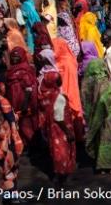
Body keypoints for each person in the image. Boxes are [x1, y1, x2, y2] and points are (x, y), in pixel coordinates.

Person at [36, 49, 76, 185]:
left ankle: (59, 175)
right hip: (62, 128)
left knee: (55, 150)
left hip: (52, 129)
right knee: (63, 152)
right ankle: (63, 177)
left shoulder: (48, 94)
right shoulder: (59, 97)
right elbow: (59, 118)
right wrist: (68, 131)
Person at [81, 56, 111, 174]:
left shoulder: (87, 81)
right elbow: (105, 98)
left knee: (100, 139)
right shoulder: (103, 81)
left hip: (94, 116)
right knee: (110, 139)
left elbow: (86, 100)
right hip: (108, 115)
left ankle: (101, 166)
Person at [5, 47, 38, 145]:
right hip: (15, 103)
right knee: (20, 124)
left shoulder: (26, 70)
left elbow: (29, 88)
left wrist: (25, 103)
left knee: (27, 125)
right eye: (13, 56)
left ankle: (34, 147)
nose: (15, 58)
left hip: (25, 103)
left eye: (17, 56)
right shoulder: (10, 72)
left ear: (22, 57)